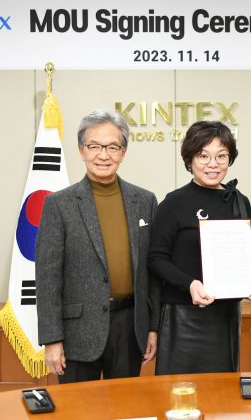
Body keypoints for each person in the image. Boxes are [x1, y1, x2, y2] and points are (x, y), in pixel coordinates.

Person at [35, 110, 159, 382]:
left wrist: (152, 328)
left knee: (125, 403)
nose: (104, 155)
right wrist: (52, 339)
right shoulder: (59, 204)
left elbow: (152, 271)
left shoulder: (145, 201)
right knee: (77, 405)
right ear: (81, 150)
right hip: (77, 331)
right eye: (94, 146)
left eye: (113, 147)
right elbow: (47, 278)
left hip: (129, 327)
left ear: (123, 152)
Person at [148, 120, 251, 375]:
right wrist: (190, 284)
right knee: (178, 393)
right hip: (181, 316)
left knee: (221, 393)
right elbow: (156, 258)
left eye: (221, 156)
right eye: (203, 156)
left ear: (230, 159)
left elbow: (246, 257)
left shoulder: (240, 202)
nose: (213, 164)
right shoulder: (174, 202)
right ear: (190, 159)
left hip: (225, 316)